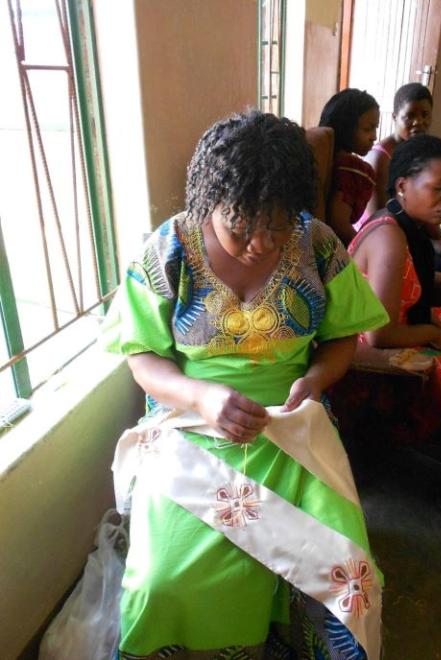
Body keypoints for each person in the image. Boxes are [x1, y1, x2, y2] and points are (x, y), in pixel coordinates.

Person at [101, 110, 388, 659]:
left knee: (346, 581)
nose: (260, 243)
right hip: (190, 429)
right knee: (162, 580)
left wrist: (316, 379)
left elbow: (341, 340)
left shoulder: (319, 246)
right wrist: (201, 396)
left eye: (278, 224)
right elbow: (140, 355)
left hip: (292, 429)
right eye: (241, 226)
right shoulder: (170, 251)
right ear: (209, 202)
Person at [349, 133, 441, 537]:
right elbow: (377, 335)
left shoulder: (413, 226)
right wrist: (431, 332)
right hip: (378, 356)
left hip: (409, 327)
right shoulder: (389, 236)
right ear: (403, 185)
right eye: (438, 187)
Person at [364, 82, 441, 305]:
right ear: (395, 117)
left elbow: (426, 209)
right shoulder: (381, 157)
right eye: (410, 116)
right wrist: (431, 244)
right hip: (398, 233)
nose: (419, 122)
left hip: (416, 233)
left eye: (425, 115)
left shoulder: (424, 151)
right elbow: (381, 213)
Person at [319, 88, 379, 246]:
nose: (374, 136)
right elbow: (339, 224)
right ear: (346, 128)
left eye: (375, 128)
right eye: (367, 129)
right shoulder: (352, 169)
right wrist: (364, 247)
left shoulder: (324, 154)